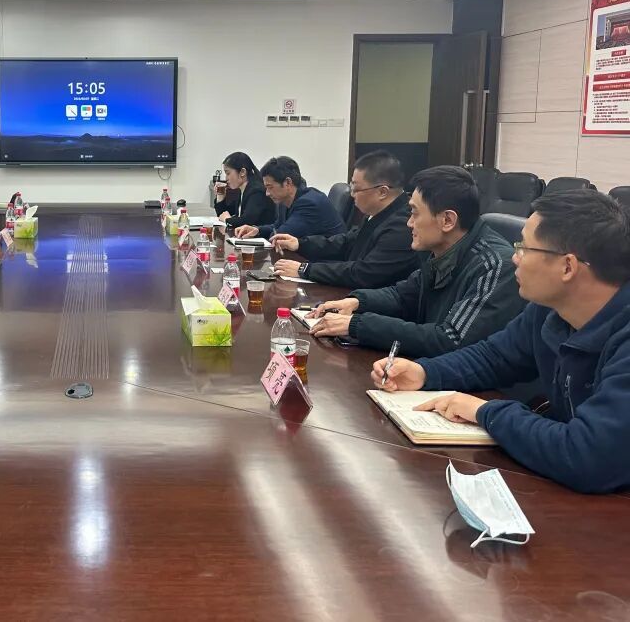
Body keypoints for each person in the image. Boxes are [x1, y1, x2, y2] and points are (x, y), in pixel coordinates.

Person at [372, 190, 630, 494]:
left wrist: (484, 412)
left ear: (567, 267)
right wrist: (425, 372)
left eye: (524, 248)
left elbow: (588, 457)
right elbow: (494, 357)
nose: (513, 257)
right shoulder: (550, 309)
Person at [310, 165, 522, 355]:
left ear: (447, 220)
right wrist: (357, 302)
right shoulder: (440, 249)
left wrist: (358, 325)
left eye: (414, 213)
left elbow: (451, 339)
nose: (409, 223)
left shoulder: (495, 266)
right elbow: (403, 295)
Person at [270, 150, 418, 289]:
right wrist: (300, 244)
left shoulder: (403, 225)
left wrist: (305, 269)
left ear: (382, 192)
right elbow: (346, 243)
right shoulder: (377, 213)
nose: (352, 195)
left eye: (356, 189)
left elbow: (365, 273)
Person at [235, 156, 345, 240]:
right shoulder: (285, 200)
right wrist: (257, 230)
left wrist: (271, 232)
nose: (267, 193)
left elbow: (280, 235)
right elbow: (277, 226)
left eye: (270, 187)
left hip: (327, 260)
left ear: (287, 182)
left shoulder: (309, 203)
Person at [213, 151, 275, 230]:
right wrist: (220, 196)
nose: (226, 178)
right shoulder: (242, 189)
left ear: (242, 172)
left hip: (262, 236)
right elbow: (223, 214)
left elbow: (246, 221)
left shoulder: (256, 191)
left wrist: (227, 219)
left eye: (228, 173)